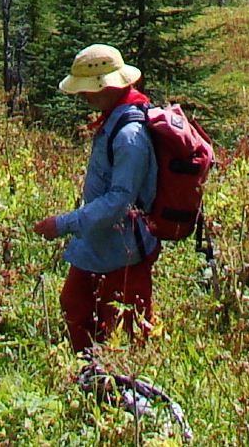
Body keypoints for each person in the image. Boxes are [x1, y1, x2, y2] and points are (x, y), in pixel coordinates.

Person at [32, 43, 160, 354]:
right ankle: (87, 377)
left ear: (106, 87)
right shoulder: (113, 121)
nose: (82, 97)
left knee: (123, 333)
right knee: (75, 306)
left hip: (126, 252)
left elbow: (120, 201)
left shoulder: (130, 135)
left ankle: (117, 390)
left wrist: (63, 224)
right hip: (100, 244)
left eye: (87, 90)